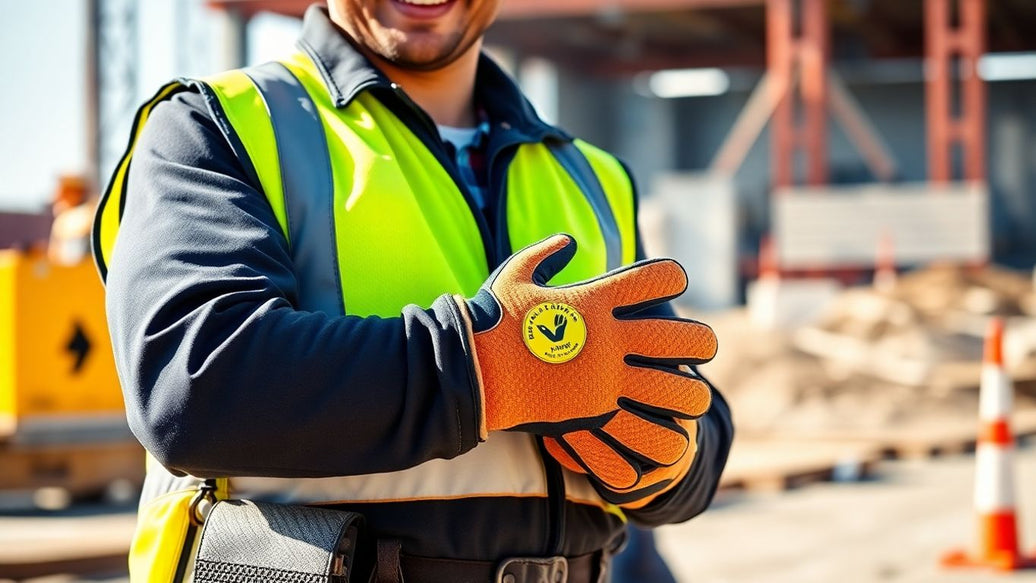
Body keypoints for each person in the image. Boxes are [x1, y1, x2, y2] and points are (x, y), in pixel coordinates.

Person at [92, 1, 734, 581]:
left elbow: (694, 421)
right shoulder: (218, 126)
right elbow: (189, 383)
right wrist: (479, 368)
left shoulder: (596, 178)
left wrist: (671, 460)